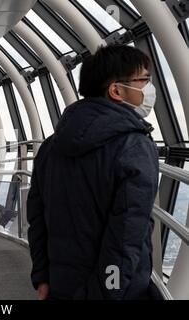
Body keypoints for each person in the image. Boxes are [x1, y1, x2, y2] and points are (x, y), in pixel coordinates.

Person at [27, 45, 162, 300]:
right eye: (144, 79)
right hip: (117, 293)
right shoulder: (134, 146)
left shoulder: (50, 147)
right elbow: (126, 234)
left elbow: (38, 219)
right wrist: (109, 290)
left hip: (61, 285)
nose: (149, 87)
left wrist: (42, 278)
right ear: (116, 90)